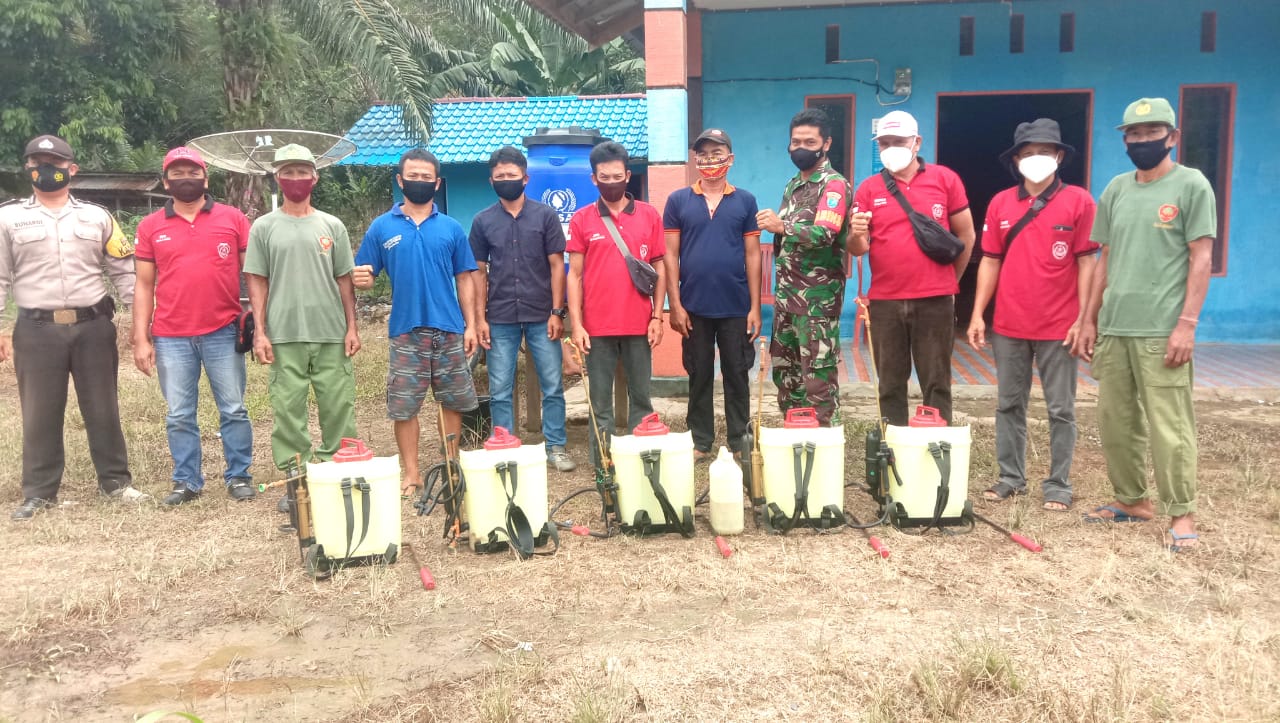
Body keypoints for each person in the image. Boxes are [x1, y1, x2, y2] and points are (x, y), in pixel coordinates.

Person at [1080, 97, 1215, 552]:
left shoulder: (1191, 185)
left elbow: (1201, 257)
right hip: (1116, 328)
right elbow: (1104, 258)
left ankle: (1182, 513)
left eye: (1151, 133)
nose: (1142, 141)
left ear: (1172, 138)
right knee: (1116, 420)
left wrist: (1187, 324)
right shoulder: (1117, 189)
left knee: (1170, 425)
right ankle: (1131, 500)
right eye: (1133, 135)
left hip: (1162, 329)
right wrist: (1088, 320)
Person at [0, 134, 147, 520]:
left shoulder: (98, 216)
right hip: (36, 330)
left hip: (92, 326)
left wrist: (139, 321)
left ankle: (115, 482)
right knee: (39, 411)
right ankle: (39, 492)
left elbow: (123, 270)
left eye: (55, 162)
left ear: (72, 169)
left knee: (103, 406)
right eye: (38, 162)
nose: (46, 169)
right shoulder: (8, 217)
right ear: (28, 168)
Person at [966, 119, 1098, 512]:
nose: (1035, 159)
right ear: (1016, 160)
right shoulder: (1001, 203)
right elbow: (990, 261)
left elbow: (1088, 263)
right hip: (1009, 324)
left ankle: (1058, 484)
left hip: (1061, 326)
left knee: (1061, 408)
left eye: (1044, 151)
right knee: (1008, 404)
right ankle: (1010, 477)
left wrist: (1084, 318)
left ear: (1059, 156)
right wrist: (977, 314)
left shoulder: (1080, 201)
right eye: (1027, 153)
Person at [133, 146, 255, 505]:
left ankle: (239, 476)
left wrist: (260, 323)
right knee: (179, 414)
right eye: (177, 173)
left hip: (223, 329)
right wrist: (141, 337)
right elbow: (143, 284)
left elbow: (254, 274)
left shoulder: (233, 219)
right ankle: (186, 480)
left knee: (233, 408)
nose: (185, 179)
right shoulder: (150, 226)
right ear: (166, 179)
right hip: (171, 335)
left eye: (192, 172)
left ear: (205, 177)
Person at [354, 149, 479, 495]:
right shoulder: (382, 227)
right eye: (413, 176)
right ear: (400, 180)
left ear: (437, 183)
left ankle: (450, 464)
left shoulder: (451, 228)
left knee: (452, 401)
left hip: (450, 329)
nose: (420, 182)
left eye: (427, 178)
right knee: (404, 406)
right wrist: (360, 277)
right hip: (406, 331)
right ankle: (411, 473)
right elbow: (364, 271)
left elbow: (466, 278)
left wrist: (471, 324)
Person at [848, 110, 976, 426]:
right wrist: (857, 232)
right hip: (886, 302)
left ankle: (937, 448)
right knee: (890, 383)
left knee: (936, 381)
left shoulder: (945, 180)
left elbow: (967, 235)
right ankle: (892, 450)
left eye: (899, 141)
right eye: (885, 143)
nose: (892, 148)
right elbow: (856, 249)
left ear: (916, 142)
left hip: (935, 301)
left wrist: (950, 281)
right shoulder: (869, 188)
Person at [244, 143, 360, 482]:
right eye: (288, 172)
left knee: (338, 406)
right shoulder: (263, 227)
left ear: (315, 177)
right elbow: (257, 281)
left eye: (302, 172)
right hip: (284, 333)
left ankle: (339, 469)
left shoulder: (332, 225)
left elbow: (344, 280)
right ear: (278, 178)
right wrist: (260, 331)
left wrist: (352, 327)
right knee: (288, 409)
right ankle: (297, 475)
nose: (296, 178)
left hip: (330, 331)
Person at [470, 146, 576, 472]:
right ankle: (505, 446)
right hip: (499, 317)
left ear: (525, 178)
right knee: (501, 387)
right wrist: (478, 319)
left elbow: (558, 266)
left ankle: (555, 446)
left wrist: (557, 312)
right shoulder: (483, 221)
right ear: (491, 181)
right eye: (500, 176)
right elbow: (478, 272)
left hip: (541, 314)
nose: (506, 180)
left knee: (552, 385)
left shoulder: (545, 216)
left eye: (512, 175)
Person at [566, 141, 666, 473]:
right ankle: (604, 467)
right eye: (604, 177)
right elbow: (575, 275)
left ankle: (641, 460)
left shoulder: (649, 215)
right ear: (594, 179)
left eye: (617, 176)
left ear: (628, 175)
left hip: (640, 324)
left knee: (641, 398)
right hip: (597, 329)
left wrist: (657, 316)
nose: (611, 182)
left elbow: (660, 270)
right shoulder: (582, 219)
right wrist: (577, 325)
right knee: (600, 404)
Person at [663, 128, 761, 461]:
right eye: (703, 154)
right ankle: (701, 441)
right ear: (695, 160)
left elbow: (752, 254)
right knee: (699, 373)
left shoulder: (745, 201)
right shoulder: (678, 200)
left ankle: (739, 440)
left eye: (717, 154)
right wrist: (674, 305)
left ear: (730, 159)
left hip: (735, 306)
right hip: (693, 307)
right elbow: (670, 255)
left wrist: (755, 308)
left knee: (737, 373)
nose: (710, 161)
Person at [757, 109, 850, 427]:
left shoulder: (834, 186)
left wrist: (781, 226)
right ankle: (795, 438)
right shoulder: (793, 185)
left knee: (818, 382)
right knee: (787, 377)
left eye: (809, 141)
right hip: (786, 302)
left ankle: (824, 447)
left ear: (826, 143)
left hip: (816, 306)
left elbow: (825, 233)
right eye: (795, 141)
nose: (801, 147)